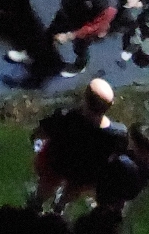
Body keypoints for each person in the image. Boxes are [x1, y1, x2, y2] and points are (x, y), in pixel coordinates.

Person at [28, 79, 128, 215]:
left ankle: (36, 204)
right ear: (109, 106)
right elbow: (116, 155)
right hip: (85, 173)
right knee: (73, 190)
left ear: (85, 98)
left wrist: (35, 138)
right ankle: (59, 208)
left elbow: (42, 132)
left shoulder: (66, 117)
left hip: (58, 162)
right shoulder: (118, 133)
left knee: (47, 183)